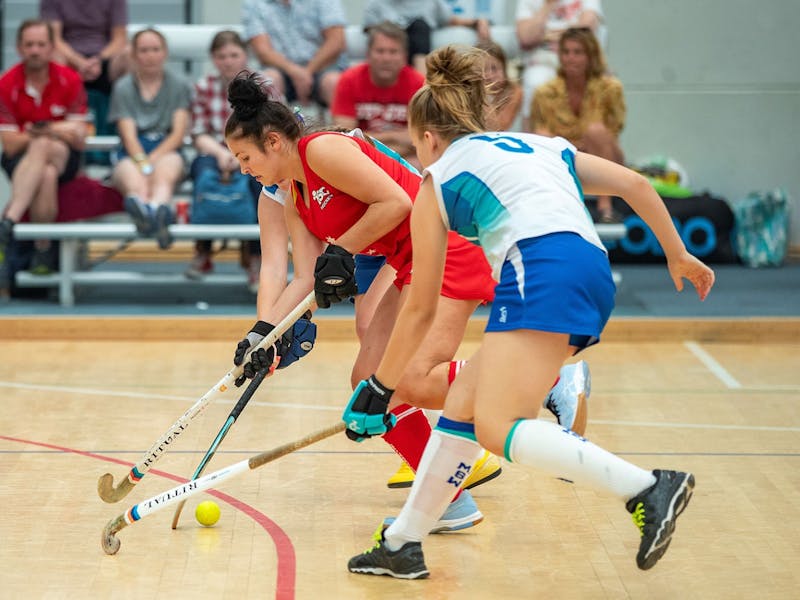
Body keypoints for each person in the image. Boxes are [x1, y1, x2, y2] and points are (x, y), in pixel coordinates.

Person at [345, 44, 715, 579]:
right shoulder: (542, 144)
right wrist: (677, 253)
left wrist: (381, 386)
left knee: (498, 428)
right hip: (590, 268)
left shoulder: (438, 180)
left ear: (427, 137)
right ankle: (404, 542)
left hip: (539, 270)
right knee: (464, 407)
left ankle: (647, 488)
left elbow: (420, 306)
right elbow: (634, 183)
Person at [224, 72, 590, 530]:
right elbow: (303, 278)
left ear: (274, 141)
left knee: (405, 380)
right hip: (413, 259)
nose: (242, 169)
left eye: (244, 157)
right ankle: (450, 502)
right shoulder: (294, 197)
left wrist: (343, 250)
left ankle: (549, 375)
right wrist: (264, 333)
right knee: (368, 382)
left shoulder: (322, 149)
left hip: (448, 245)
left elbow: (396, 202)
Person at [0, 19, 88, 298]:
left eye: (41, 44)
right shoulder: (6, 83)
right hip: (22, 160)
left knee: (43, 144)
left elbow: (78, 137)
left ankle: (9, 219)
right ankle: (42, 250)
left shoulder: (69, 79)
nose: (35, 50)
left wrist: (41, 129)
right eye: (29, 45)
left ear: (51, 47)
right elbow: (11, 145)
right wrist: (54, 129)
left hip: (66, 156)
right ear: (19, 48)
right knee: (46, 171)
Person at [188, 30, 264, 291]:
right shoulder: (203, 86)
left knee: (260, 183)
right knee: (202, 174)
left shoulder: (262, 86)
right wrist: (223, 154)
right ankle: (203, 250)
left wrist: (240, 154)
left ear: (245, 55)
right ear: (213, 58)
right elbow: (198, 132)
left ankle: (255, 257)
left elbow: (269, 130)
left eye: (234, 55)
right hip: (214, 151)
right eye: (222, 56)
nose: (228, 61)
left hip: (253, 151)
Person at [531, 27, 624, 222]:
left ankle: (605, 205)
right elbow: (538, 133)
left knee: (596, 131)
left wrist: (582, 143)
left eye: (577, 52)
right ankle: (551, 203)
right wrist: (573, 146)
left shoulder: (610, 88)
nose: (570, 58)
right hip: (564, 155)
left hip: (604, 155)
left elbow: (613, 132)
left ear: (590, 56)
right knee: (541, 135)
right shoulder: (544, 92)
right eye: (565, 52)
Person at [110, 27, 192, 250]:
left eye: (155, 49)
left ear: (164, 52)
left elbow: (177, 134)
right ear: (135, 55)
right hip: (132, 149)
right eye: (144, 50)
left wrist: (149, 163)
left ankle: (152, 212)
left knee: (165, 173)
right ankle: (155, 214)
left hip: (166, 148)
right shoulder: (123, 87)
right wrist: (143, 164)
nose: (150, 55)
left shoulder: (179, 84)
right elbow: (128, 135)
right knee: (130, 176)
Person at [331, 21, 425, 169]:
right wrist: (395, 136)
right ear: (368, 54)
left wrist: (369, 141)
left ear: (404, 56)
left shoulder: (419, 84)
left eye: (393, 52)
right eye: (380, 51)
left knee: (420, 163)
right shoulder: (349, 80)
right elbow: (345, 138)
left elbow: (422, 141)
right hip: (360, 159)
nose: (386, 58)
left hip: (399, 159)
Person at [515, 0, 603, 131]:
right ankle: (530, 143)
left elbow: (586, 30)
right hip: (542, 62)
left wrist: (547, 35)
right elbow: (526, 38)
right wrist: (548, 5)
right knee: (534, 83)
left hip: (579, 59)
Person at [241, 0, 347, 108]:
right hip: (280, 70)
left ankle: (343, 124)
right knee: (267, 82)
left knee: (334, 82)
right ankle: (270, 124)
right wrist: (296, 72)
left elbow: (336, 42)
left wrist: (307, 72)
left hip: (323, 68)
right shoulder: (254, 3)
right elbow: (263, 51)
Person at [363, 0, 492, 73]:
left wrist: (478, 22)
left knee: (420, 26)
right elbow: (372, 36)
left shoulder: (430, 2)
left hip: (418, 63)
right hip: (389, 64)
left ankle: (421, 86)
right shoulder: (375, 4)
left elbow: (451, 20)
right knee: (389, 34)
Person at [39, 0, 129, 98]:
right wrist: (79, 62)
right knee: (52, 56)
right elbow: (54, 38)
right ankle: (56, 106)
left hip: (105, 56)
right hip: (67, 55)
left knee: (129, 54)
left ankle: (125, 109)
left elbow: (119, 38)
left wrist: (98, 60)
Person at [477, 40, 522, 131]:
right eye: (482, 69)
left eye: (494, 69)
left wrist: (482, 95)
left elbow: (499, 127)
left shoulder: (514, 91)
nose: (489, 75)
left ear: (504, 68)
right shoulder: (467, 92)